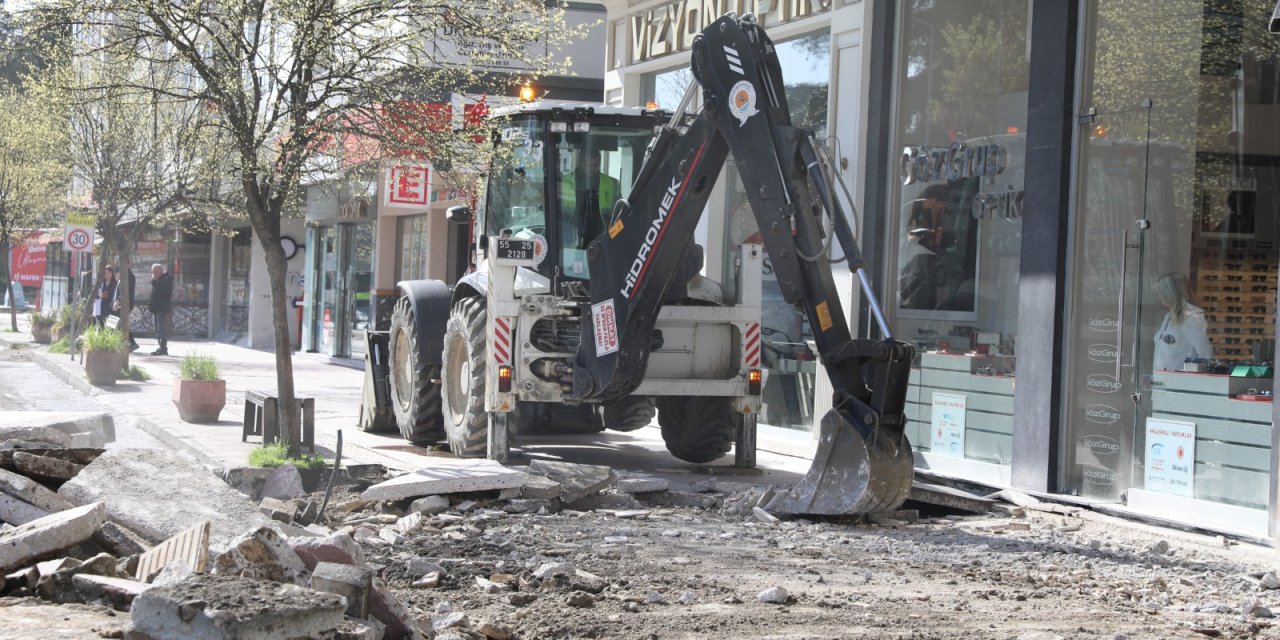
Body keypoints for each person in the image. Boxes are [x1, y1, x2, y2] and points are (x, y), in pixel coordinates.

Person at [1152, 272, 1213, 371]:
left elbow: (1206, 354)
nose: (1158, 296)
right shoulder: (1168, 317)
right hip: (1162, 381)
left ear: (1170, 293)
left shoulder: (1192, 318)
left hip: (1181, 382)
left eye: (1161, 293)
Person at [561, 148, 621, 249]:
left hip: (601, 237)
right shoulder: (565, 182)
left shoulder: (611, 183)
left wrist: (613, 236)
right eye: (589, 166)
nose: (593, 169)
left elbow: (620, 214)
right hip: (570, 237)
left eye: (596, 166)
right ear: (581, 163)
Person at [148, 263, 174, 355]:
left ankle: (163, 348)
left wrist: (154, 281)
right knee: (159, 328)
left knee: (162, 328)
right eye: (153, 271)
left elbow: (160, 291)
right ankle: (161, 347)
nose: (154, 273)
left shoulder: (165, 279)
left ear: (161, 270)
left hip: (162, 308)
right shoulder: (159, 279)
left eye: (156, 271)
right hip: (157, 308)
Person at [113, 267, 139, 351]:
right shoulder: (122, 278)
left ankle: (131, 342)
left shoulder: (128, 276)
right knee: (122, 323)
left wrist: (118, 302)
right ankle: (130, 342)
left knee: (122, 323)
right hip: (122, 305)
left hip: (125, 304)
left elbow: (126, 291)